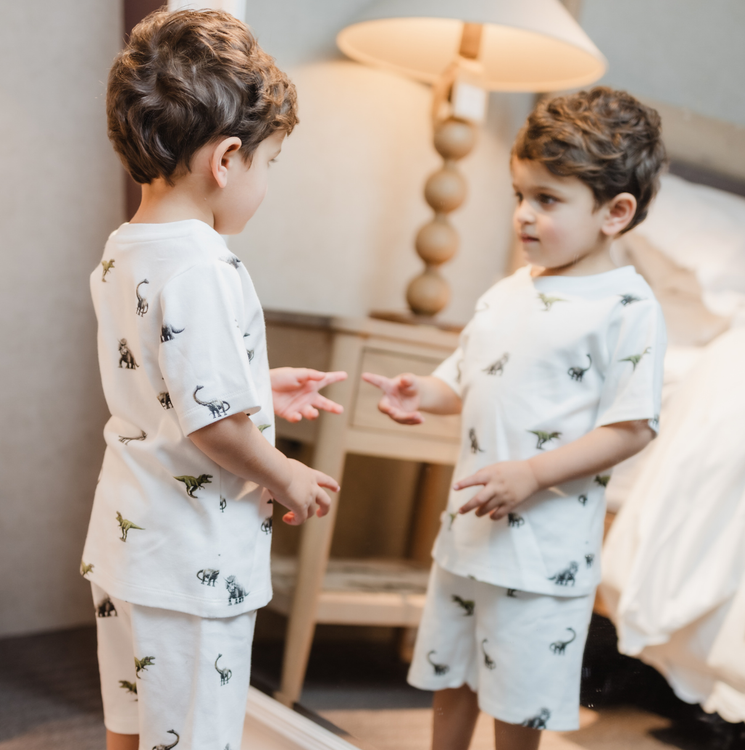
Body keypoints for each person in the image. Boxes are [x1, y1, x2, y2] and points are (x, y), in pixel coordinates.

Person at [363, 87, 668, 750]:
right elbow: (467, 375)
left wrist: (532, 473)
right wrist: (425, 392)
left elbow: (633, 426)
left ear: (615, 212)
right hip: (469, 535)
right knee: (453, 677)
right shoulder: (508, 290)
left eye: (548, 200)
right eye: (520, 195)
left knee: (517, 698)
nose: (524, 215)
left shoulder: (626, 308)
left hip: (542, 558)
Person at [80, 10, 345, 750]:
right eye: (269, 164)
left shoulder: (125, 249)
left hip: (131, 550)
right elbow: (214, 423)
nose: (266, 184)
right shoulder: (205, 265)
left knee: (132, 724)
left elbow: (161, 379)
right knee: (195, 736)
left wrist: (258, 381)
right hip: (194, 567)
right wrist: (286, 474)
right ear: (227, 159)